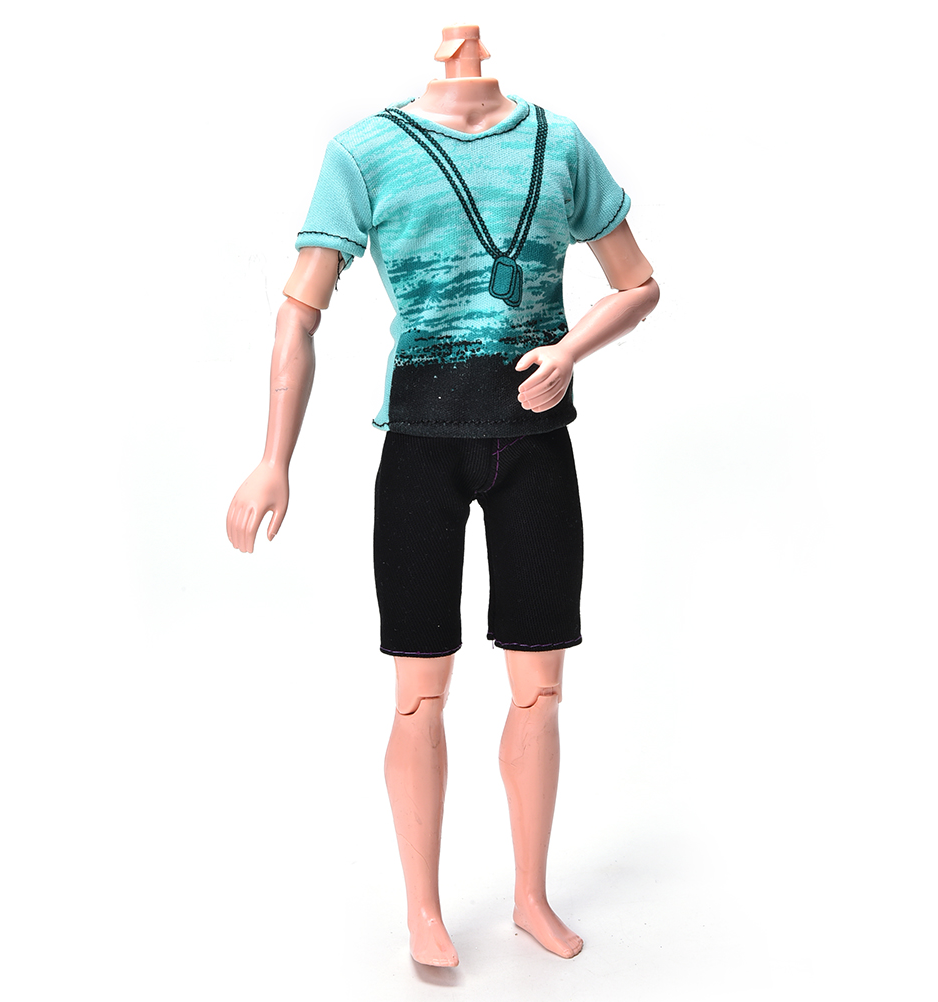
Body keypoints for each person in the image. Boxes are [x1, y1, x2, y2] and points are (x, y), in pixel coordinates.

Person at [226, 24, 659, 967]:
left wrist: (570, 350)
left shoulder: (559, 143)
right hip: (422, 445)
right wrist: (272, 458)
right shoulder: (366, 152)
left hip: (537, 447)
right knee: (419, 692)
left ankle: (530, 896)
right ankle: (423, 908)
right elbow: (298, 312)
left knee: (541, 687)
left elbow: (639, 283)